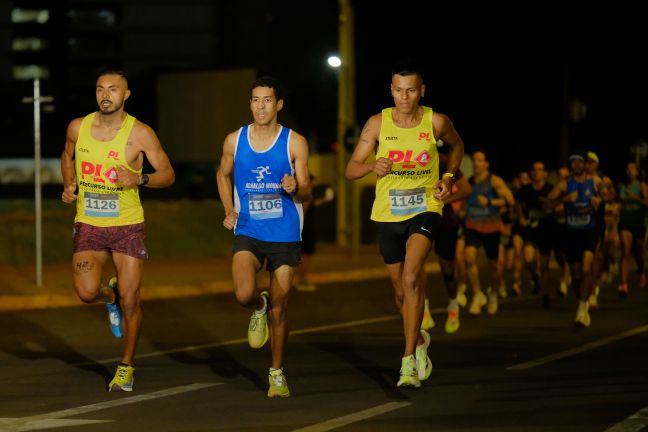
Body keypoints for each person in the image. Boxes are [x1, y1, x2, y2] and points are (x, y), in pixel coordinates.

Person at [345, 60, 464, 388]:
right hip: (388, 213)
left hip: (425, 207)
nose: (404, 96)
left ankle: (407, 360)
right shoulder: (377, 124)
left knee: (412, 277)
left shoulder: (435, 121)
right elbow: (350, 169)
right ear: (391, 90)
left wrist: (449, 176)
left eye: (410, 90)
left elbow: (457, 145)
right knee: (401, 291)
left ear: (421, 91)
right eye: (398, 90)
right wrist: (371, 166)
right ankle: (421, 342)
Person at [60, 69, 175, 392]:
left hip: (127, 226)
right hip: (90, 224)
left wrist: (140, 179)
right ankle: (108, 297)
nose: (105, 95)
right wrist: (69, 183)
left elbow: (167, 174)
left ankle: (126, 366)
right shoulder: (77, 127)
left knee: (132, 300)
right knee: (85, 292)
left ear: (126, 95)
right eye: (100, 89)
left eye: (113, 89)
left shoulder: (140, 134)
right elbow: (66, 155)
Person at [216, 76, 311, 398]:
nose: (260, 106)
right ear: (250, 103)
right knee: (243, 293)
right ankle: (258, 305)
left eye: (267, 100)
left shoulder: (294, 142)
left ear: (278, 104)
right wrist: (230, 209)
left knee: (281, 308)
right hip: (250, 230)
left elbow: (308, 189)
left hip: (285, 233)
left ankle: (276, 373)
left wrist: (296, 186)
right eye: (256, 99)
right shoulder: (234, 140)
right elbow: (222, 174)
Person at [547, 150, 604, 327]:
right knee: (576, 274)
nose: (577, 165)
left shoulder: (595, 181)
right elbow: (547, 203)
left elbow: (610, 195)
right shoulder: (565, 184)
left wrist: (600, 200)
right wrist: (564, 199)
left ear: (585, 164)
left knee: (586, 268)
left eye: (580, 162)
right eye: (574, 162)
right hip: (571, 233)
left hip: (590, 231)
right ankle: (582, 299)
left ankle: (582, 308)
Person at [421, 144, 472, 334]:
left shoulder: (445, 164)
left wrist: (444, 201)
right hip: (421, 219)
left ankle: (453, 306)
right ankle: (424, 311)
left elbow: (467, 189)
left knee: (447, 268)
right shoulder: (415, 162)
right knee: (417, 266)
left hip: (445, 222)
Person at [464, 149, 515, 316]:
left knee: (494, 266)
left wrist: (490, 201)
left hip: (491, 228)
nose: (475, 163)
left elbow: (510, 200)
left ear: (486, 164)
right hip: (472, 226)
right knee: (469, 257)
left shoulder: (494, 181)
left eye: (479, 160)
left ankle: (493, 293)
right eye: (474, 160)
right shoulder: (469, 182)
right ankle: (478, 294)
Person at [293, 175, 335, 292]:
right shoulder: (305, 194)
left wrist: (324, 199)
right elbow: (305, 209)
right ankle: (301, 280)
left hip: (305, 228)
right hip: (306, 229)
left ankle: (302, 279)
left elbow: (312, 205)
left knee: (304, 255)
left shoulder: (303, 194)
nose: (313, 184)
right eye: (312, 182)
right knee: (305, 255)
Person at [617, 161, 648, 296]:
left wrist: (635, 197)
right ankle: (623, 284)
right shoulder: (622, 186)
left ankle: (641, 270)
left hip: (638, 223)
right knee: (626, 250)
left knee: (638, 253)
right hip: (625, 222)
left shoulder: (641, 186)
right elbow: (617, 201)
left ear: (637, 172)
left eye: (632, 169)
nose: (629, 171)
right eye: (627, 169)